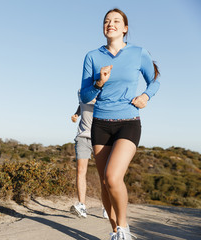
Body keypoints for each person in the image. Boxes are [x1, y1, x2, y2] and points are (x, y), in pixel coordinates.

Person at [80, 8, 160, 240]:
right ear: (103, 28)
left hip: (128, 122)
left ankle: (124, 229)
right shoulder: (92, 56)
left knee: (114, 177)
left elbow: (154, 80)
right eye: (106, 21)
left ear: (125, 28)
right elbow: (85, 96)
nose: (110, 24)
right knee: (105, 182)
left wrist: (146, 96)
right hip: (101, 124)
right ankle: (114, 230)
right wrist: (98, 83)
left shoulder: (138, 53)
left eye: (116, 21)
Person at [70, 90, 109, 220]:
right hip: (82, 136)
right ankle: (82, 205)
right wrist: (76, 114)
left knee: (103, 174)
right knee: (81, 170)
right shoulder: (81, 91)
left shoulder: (104, 90)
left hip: (101, 137)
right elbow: (82, 105)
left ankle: (106, 206)